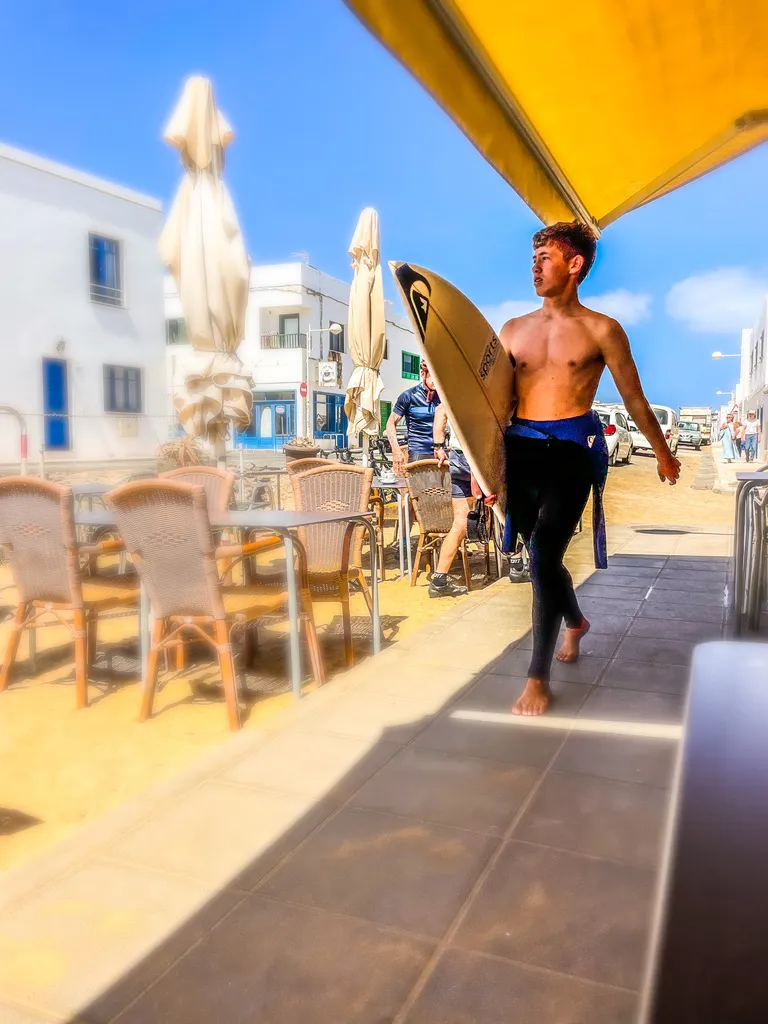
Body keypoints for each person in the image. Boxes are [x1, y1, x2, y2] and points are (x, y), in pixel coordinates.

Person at [500, 221, 680, 716]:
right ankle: (576, 621)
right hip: (520, 451)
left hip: (571, 452)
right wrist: (481, 466)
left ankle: (537, 678)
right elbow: (493, 406)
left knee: (542, 556)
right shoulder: (512, 330)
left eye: (546, 257)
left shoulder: (602, 329)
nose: (535, 266)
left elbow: (635, 399)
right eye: (533, 258)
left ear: (575, 264)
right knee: (543, 560)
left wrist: (663, 453)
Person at [429, 405, 473, 597]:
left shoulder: (454, 389)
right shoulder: (487, 386)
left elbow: (441, 410)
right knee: (507, 510)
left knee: (460, 522)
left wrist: (438, 447)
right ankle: (517, 564)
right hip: (482, 453)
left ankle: (439, 580)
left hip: (459, 456)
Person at [386, 360, 440, 472]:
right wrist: (396, 450)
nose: (437, 380)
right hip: (418, 453)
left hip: (440, 452)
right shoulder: (409, 395)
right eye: (433, 376)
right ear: (423, 374)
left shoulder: (444, 397)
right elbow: (391, 422)